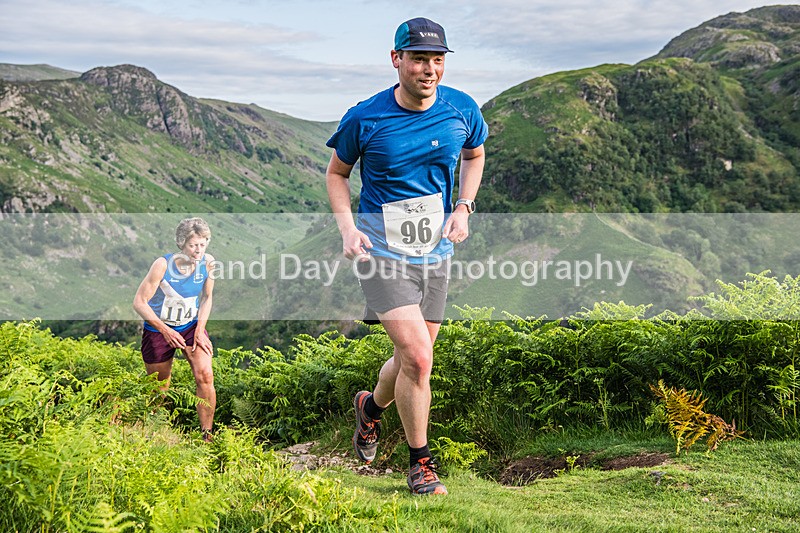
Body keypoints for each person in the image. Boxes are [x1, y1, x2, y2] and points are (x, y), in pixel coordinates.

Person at [325, 17, 488, 495]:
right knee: (418, 356)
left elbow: (475, 155)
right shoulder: (365, 118)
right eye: (418, 59)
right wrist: (348, 229)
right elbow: (336, 174)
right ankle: (420, 465)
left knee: (413, 357)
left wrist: (464, 206)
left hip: (436, 250)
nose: (429, 69)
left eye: (437, 59)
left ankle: (369, 409)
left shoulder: (461, 108)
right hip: (381, 251)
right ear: (397, 59)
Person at [133, 217, 216, 442]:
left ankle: (207, 436)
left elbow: (207, 297)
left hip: (190, 326)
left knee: (205, 375)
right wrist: (166, 331)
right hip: (159, 329)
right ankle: (154, 434)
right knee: (159, 387)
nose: (198, 250)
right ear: (181, 243)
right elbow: (139, 302)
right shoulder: (162, 265)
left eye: (202, 244)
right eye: (193, 245)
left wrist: (200, 329)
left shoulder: (208, 263)